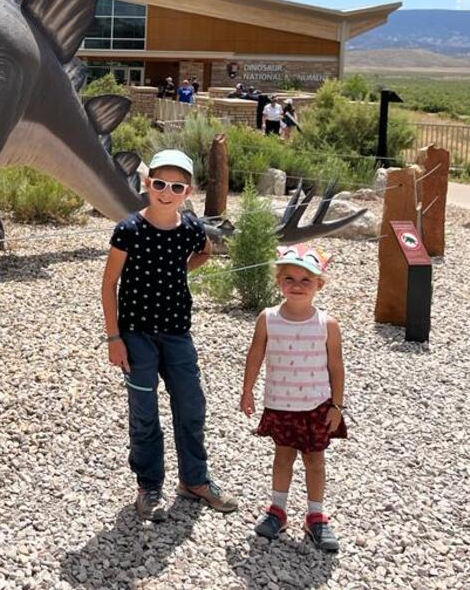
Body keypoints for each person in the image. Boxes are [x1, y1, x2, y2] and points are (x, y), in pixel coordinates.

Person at [101, 149, 238, 522]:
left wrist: (176, 271)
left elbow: (205, 253)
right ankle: (149, 487)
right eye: (159, 183)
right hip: (137, 336)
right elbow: (109, 283)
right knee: (144, 414)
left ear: (187, 191)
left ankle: (194, 480)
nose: (166, 191)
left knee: (191, 406)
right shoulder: (128, 229)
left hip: (178, 334)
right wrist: (114, 339)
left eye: (176, 186)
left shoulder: (191, 229)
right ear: (147, 184)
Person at [239, 245, 347, 552]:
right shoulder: (268, 318)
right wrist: (247, 390)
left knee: (315, 461)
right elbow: (256, 354)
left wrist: (337, 406)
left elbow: (336, 367)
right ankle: (278, 510)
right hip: (280, 402)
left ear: (319, 285)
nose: (297, 286)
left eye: (306, 280)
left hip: (317, 406)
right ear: (278, 282)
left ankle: (315, 516)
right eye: (290, 278)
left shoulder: (327, 324)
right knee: (282, 457)